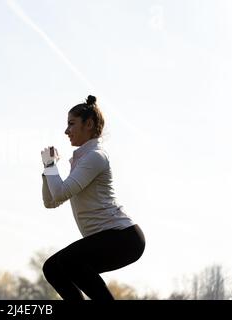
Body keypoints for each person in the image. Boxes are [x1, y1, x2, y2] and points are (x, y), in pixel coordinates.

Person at [40, 95, 145, 300]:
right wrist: (47, 169)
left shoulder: (96, 156)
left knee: (70, 262)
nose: (66, 131)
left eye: (71, 124)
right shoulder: (81, 160)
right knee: (53, 268)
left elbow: (60, 192)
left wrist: (52, 166)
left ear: (88, 124)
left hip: (124, 237)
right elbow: (51, 202)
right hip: (110, 238)